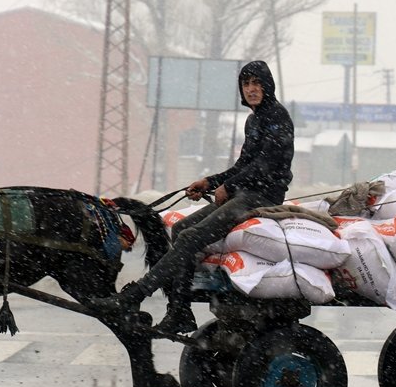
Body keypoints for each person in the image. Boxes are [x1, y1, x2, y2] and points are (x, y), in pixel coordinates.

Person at [95, 59, 295, 334]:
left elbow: (265, 165)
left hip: (262, 196)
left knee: (191, 236)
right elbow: (243, 165)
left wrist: (229, 187)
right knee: (181, 228)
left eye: (257, 83)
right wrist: (210, 182)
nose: (251, 89)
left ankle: (136, 294)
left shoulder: (277, 117)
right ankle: (180, 310)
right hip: (245, 192)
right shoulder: (254, 120)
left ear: (267, 86)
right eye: (246, 84)